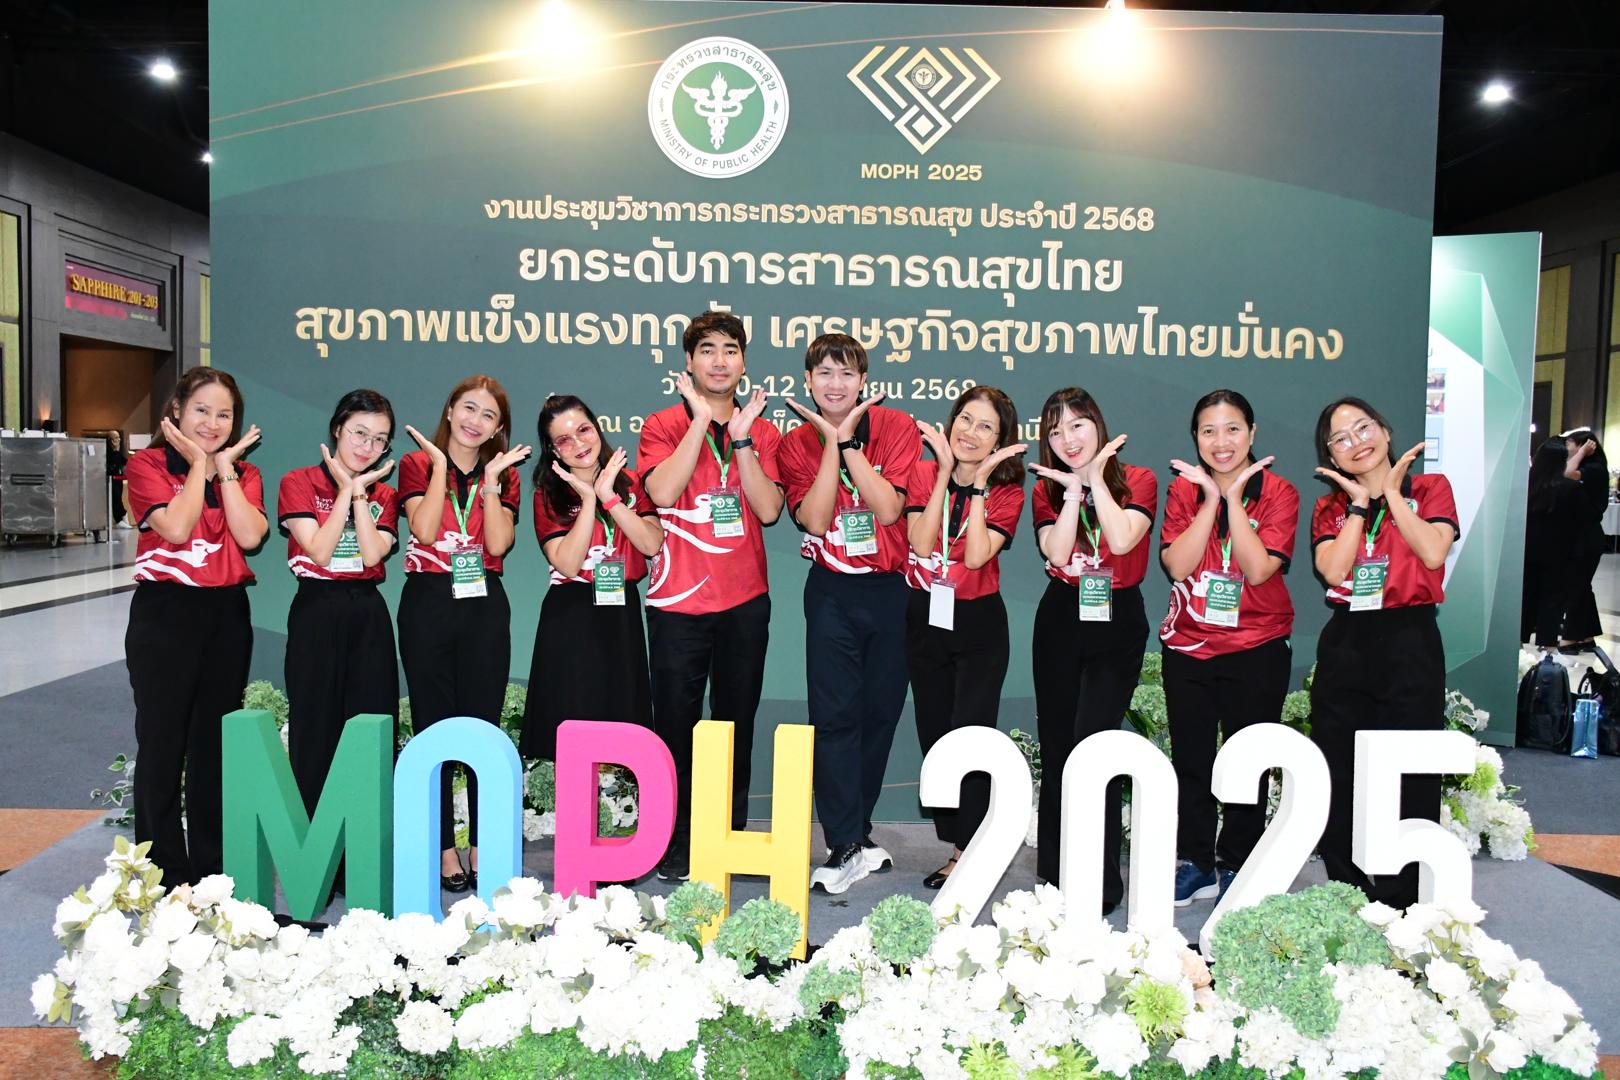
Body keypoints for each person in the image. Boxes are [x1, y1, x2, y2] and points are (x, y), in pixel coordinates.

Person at [635, 312, 784, 880]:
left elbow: (768, 510)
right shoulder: (662, 424)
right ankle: (675, 840)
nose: (719, 361)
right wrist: (699, 423)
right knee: (675, 724)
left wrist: (741, 439)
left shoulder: (761, 430)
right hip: (678, 604)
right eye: (707, 350)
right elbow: (662, 492)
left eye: (730, 350)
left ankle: (727, 835)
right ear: (689, 361)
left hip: (744, 600)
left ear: (743, 362)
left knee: (735, 720)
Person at [780, 333, 921, 894]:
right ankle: (841, 842)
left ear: (864, 381)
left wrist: (851, 444)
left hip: (891, 591)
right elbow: (815, 521)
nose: (835, 384)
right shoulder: (795, 443)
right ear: (808, 381)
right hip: (832, 593)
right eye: (824, 374)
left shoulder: (898, 427)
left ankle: (858, 832)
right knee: (835, 717)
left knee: (880, 715)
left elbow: (887, 510)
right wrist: (829, 446)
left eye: (846, 374)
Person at [1310, 396, 1457, 908]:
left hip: (1409, 640)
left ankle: (1405, 898)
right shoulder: (1330, 508)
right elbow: (1334, 570)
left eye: (1363, 428)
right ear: (1331, 455)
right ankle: (1348, 890)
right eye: (1341, 439)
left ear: (1385, 431)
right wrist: (1358, 506)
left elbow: (1433, 552)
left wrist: (1392, 494)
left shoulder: (1431, 489)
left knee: (1412, 769)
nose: (1356, 443)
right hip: (1348, 642)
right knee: (1340, 765)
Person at [124, 367, 267, 886]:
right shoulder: (146, 465)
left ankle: (211, 866)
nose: (212, 422)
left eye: (224, 414)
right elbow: (178, 526)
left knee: (213, 744)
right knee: (162, 741)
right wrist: (198, 465)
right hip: (166, 614)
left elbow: (250, 537)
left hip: (226, 614)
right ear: (177, 410)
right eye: (202, 410)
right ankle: (163, 870)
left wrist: (222, 470)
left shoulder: (242, 472)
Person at [1159, 389, 1298, 905]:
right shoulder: (1183, 490)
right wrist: (1209, 501)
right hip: (1189, 647)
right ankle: (1196, 862)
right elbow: (1178, 565)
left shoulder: (1279, 492)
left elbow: (1259, 569)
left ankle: (1239, 861)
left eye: (1233, 429)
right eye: (1209, 431)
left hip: (1257, 645)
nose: (1222, 442)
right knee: (1191, 759)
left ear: (1252, 433)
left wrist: (1233, 500)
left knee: (1249, 761)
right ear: (1195, 438)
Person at [396, 375, 530, 894]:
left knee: (481, 726)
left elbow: (497, 543)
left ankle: (480, 843)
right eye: (469, 408)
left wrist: (492, 481)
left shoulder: (504, 475)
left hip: (483, 605)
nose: (476, 421)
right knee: (433, 725)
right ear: (450, 410)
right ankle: (441, 846)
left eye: (488, 415)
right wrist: (437, 469)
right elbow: (425, 530)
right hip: (429, 600)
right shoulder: (416, 463)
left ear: (498, 429)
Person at [1027, 387, 1157, 913]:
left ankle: (1100, 881)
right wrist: (1071, 494)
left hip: (1116, 622)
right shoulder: (1047, 489)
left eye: (1077, 425)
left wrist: (1096, 481)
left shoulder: (1139, 479)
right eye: (1056, 431)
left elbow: (1122, 541)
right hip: (1062, 617)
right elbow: (1057, 552)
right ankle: (1056, 875)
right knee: (1059, 745)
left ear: (1098, 426)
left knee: (1095, 745)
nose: (1068, 439)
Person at [903, 386, 1026, 889]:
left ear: (1000, 440)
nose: (971, 433)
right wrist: (942, 475)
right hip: (926, 618)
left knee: (971, 736)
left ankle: (966, 851)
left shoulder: (1008, 492)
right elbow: (919, 541)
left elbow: (975, 555)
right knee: (935, 735)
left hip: (978, 626)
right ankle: (956, 834)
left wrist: (976, 489)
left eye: (986, 427)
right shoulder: (922, 472)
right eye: (966, 419)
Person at [277, 390, 400, 848]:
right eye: (359, 434)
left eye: (379, 440)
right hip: (316, 609)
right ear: (337, 429)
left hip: (367, 612)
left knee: (371, 726)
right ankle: (316, 850)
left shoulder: (386, 493)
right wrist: (347, 490)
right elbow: (320, 550)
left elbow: (371, 554)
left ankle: (364, 847)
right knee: (315, 727)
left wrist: (360, 492)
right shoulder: (299, 481)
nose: (368, 447)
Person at [520, 395, 663, 762]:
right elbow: (568, 563)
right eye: (564, 440)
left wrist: (609, 498)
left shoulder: (631, 483)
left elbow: (651, 544)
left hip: (621, 612)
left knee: (621, 719)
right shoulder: (548, 494)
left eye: (583, 430)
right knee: (571, 716)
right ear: (553, 450)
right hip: (571, 615)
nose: (578, 444)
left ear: (597, 429)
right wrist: (587, 502)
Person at [1521, 439, 1581, 647]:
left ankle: (1519, 641)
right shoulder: (1570, 488)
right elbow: (1580, 521)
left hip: (1527, 551)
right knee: (1552, 600)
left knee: (1526, 597)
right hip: (1559, 553)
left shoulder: (1526, 486)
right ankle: (1547, 645)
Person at [1559, 429, 1608, 650]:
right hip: (1581, 536)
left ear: (1583, 445)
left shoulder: (1594, 469)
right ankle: (1587, 636)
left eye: (1569, 443)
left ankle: (1570, 638)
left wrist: (1580, 453)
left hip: (1587, 537)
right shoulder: (1589, 467)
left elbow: (1567, 472)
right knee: (1581, 586)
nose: (1567, 448)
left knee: (1576, 587)